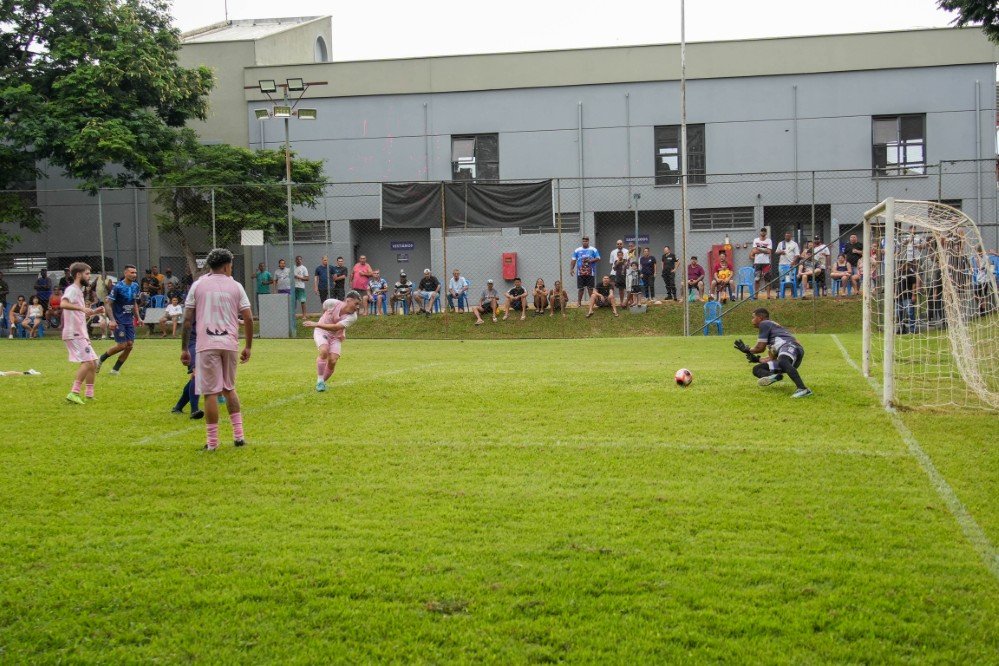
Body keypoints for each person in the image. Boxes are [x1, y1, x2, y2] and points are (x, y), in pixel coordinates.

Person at [181, 248, 253, 451]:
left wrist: (184, 348)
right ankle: (239, 437)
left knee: (210, 393)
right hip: (229, 343)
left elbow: (187, 320)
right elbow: (248, 317)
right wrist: (248, 346)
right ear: (227, 266)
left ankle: (212, 443)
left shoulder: (198, 285)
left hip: (206, 344)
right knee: (229, 389)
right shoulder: (236, 286)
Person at [734, 308, 812, 398]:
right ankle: (773, 376)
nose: (752, 320)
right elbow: (772, 358)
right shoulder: (772, 336)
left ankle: (803, 389)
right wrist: (757, 359)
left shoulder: (764, 323)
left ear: (760, 318)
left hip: (791, 346)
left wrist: (747, 349)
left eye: (753, 317)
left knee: (783, 361)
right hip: (790, 357)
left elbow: (760, 348)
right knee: (757, 369)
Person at [60, 262, 103, 404]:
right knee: (88, 362)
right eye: (87, 274)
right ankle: (74, 393)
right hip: (74, 333)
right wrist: (81, 308)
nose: (89, 277)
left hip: (81, 333)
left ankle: (89, 394)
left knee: (93, 363)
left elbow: (79, 315)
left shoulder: (79, 291)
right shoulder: (72, 289)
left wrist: (94, 312)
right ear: (78, 275)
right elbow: (63, 304)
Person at [303, 291, 361, 392]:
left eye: (359, 304)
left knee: (333, 360)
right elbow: (324, 309)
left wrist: (316, 324)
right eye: (356, 303)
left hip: (336, 336)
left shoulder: (353, 317)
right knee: (324, 351)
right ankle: (320, 381)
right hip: (321, 331)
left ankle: (320, 382)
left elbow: (335, 327)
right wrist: (321, 322)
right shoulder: (331, 303)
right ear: (348, 300)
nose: (358, 307)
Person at [98, 265, 141, 375]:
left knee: (129, 345)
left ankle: (115, 370)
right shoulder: (118, 287)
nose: (134, 275)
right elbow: (108, 304)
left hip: (129, 320)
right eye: (132, 272)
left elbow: (134, 303)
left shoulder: (135, 286)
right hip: (119, 320)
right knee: (122, 345)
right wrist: (112, 320)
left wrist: (138, 317)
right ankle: (100, 359)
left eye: (135, 273)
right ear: (125, 273)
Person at [171, 306, 203, 420]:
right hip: (193, 341)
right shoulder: (195, 303)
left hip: (207, 341)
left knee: (200, 376)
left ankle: (178, 407)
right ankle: (194, 410)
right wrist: (184, 349)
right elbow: (186, 323)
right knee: (198, 373)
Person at [570, 235, 600, 306]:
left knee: (590, 288)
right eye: (583, 241)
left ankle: (592, 302)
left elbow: (598, 258)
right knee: (581, 289)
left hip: (590, 272)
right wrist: (571, 269)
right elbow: (573, 259)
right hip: (580, 273)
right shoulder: (577, 250)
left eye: (586, 241)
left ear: (588, 241)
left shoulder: (593, 249)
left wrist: (590, 261)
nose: (585, 242)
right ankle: (579, 302)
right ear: (582, 241)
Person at [750, 227, 773, 299]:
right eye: (762, 231)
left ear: (766, 233)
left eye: (764, 231)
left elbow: (769, 251)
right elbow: (754, 251)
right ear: (760, 232)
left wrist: (759, 249)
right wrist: (764, 250)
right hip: (757, 263)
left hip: (766, 263)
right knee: (757, 279)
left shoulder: (769, 240)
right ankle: (756, 296)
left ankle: (768, 296)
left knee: (767, 279)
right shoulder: (756, 240)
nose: (763, 232)